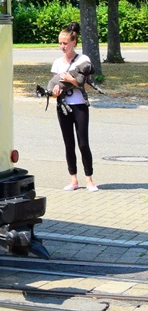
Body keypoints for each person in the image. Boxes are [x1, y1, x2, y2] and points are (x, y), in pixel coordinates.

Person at [51, 22, 97, 192]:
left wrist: (72, 81)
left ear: (74, 43)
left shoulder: (84, 60)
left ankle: (90, 179)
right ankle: (73, 179)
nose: (62, 46)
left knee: (83, 143)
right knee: (68, 143)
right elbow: (56, 86)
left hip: (79, 106)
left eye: (65, 43)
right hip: (63, 107)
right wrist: (54, 92)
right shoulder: (57, 63)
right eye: (60, 43)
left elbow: (86, 86)